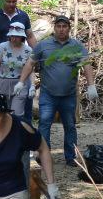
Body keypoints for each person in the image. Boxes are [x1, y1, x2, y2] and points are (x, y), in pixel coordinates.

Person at [20, 15, 96, 166]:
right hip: (48, 94)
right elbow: (30, 63)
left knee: (70, 126)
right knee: (44, 125)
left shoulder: (76, 46)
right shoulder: (43, 45)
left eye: (64, 26)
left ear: (68, 28)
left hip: (68, 95)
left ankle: (71, 156)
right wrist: (21, 82)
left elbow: (86, 65)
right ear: (54, 28)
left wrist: (91, 85)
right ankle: (44, 154)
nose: (61, 29)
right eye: (58, 26)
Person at [0, 23, 32, 120]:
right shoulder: (2, 47)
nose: (14, 38)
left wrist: (32, 85)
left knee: (16, 114)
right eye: (12, 36)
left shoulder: (28, 50)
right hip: (3, 82)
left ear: (22, 37)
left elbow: (30, 69)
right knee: (3, 113)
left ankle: (16, 133)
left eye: (17, 36)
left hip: (20, 83)